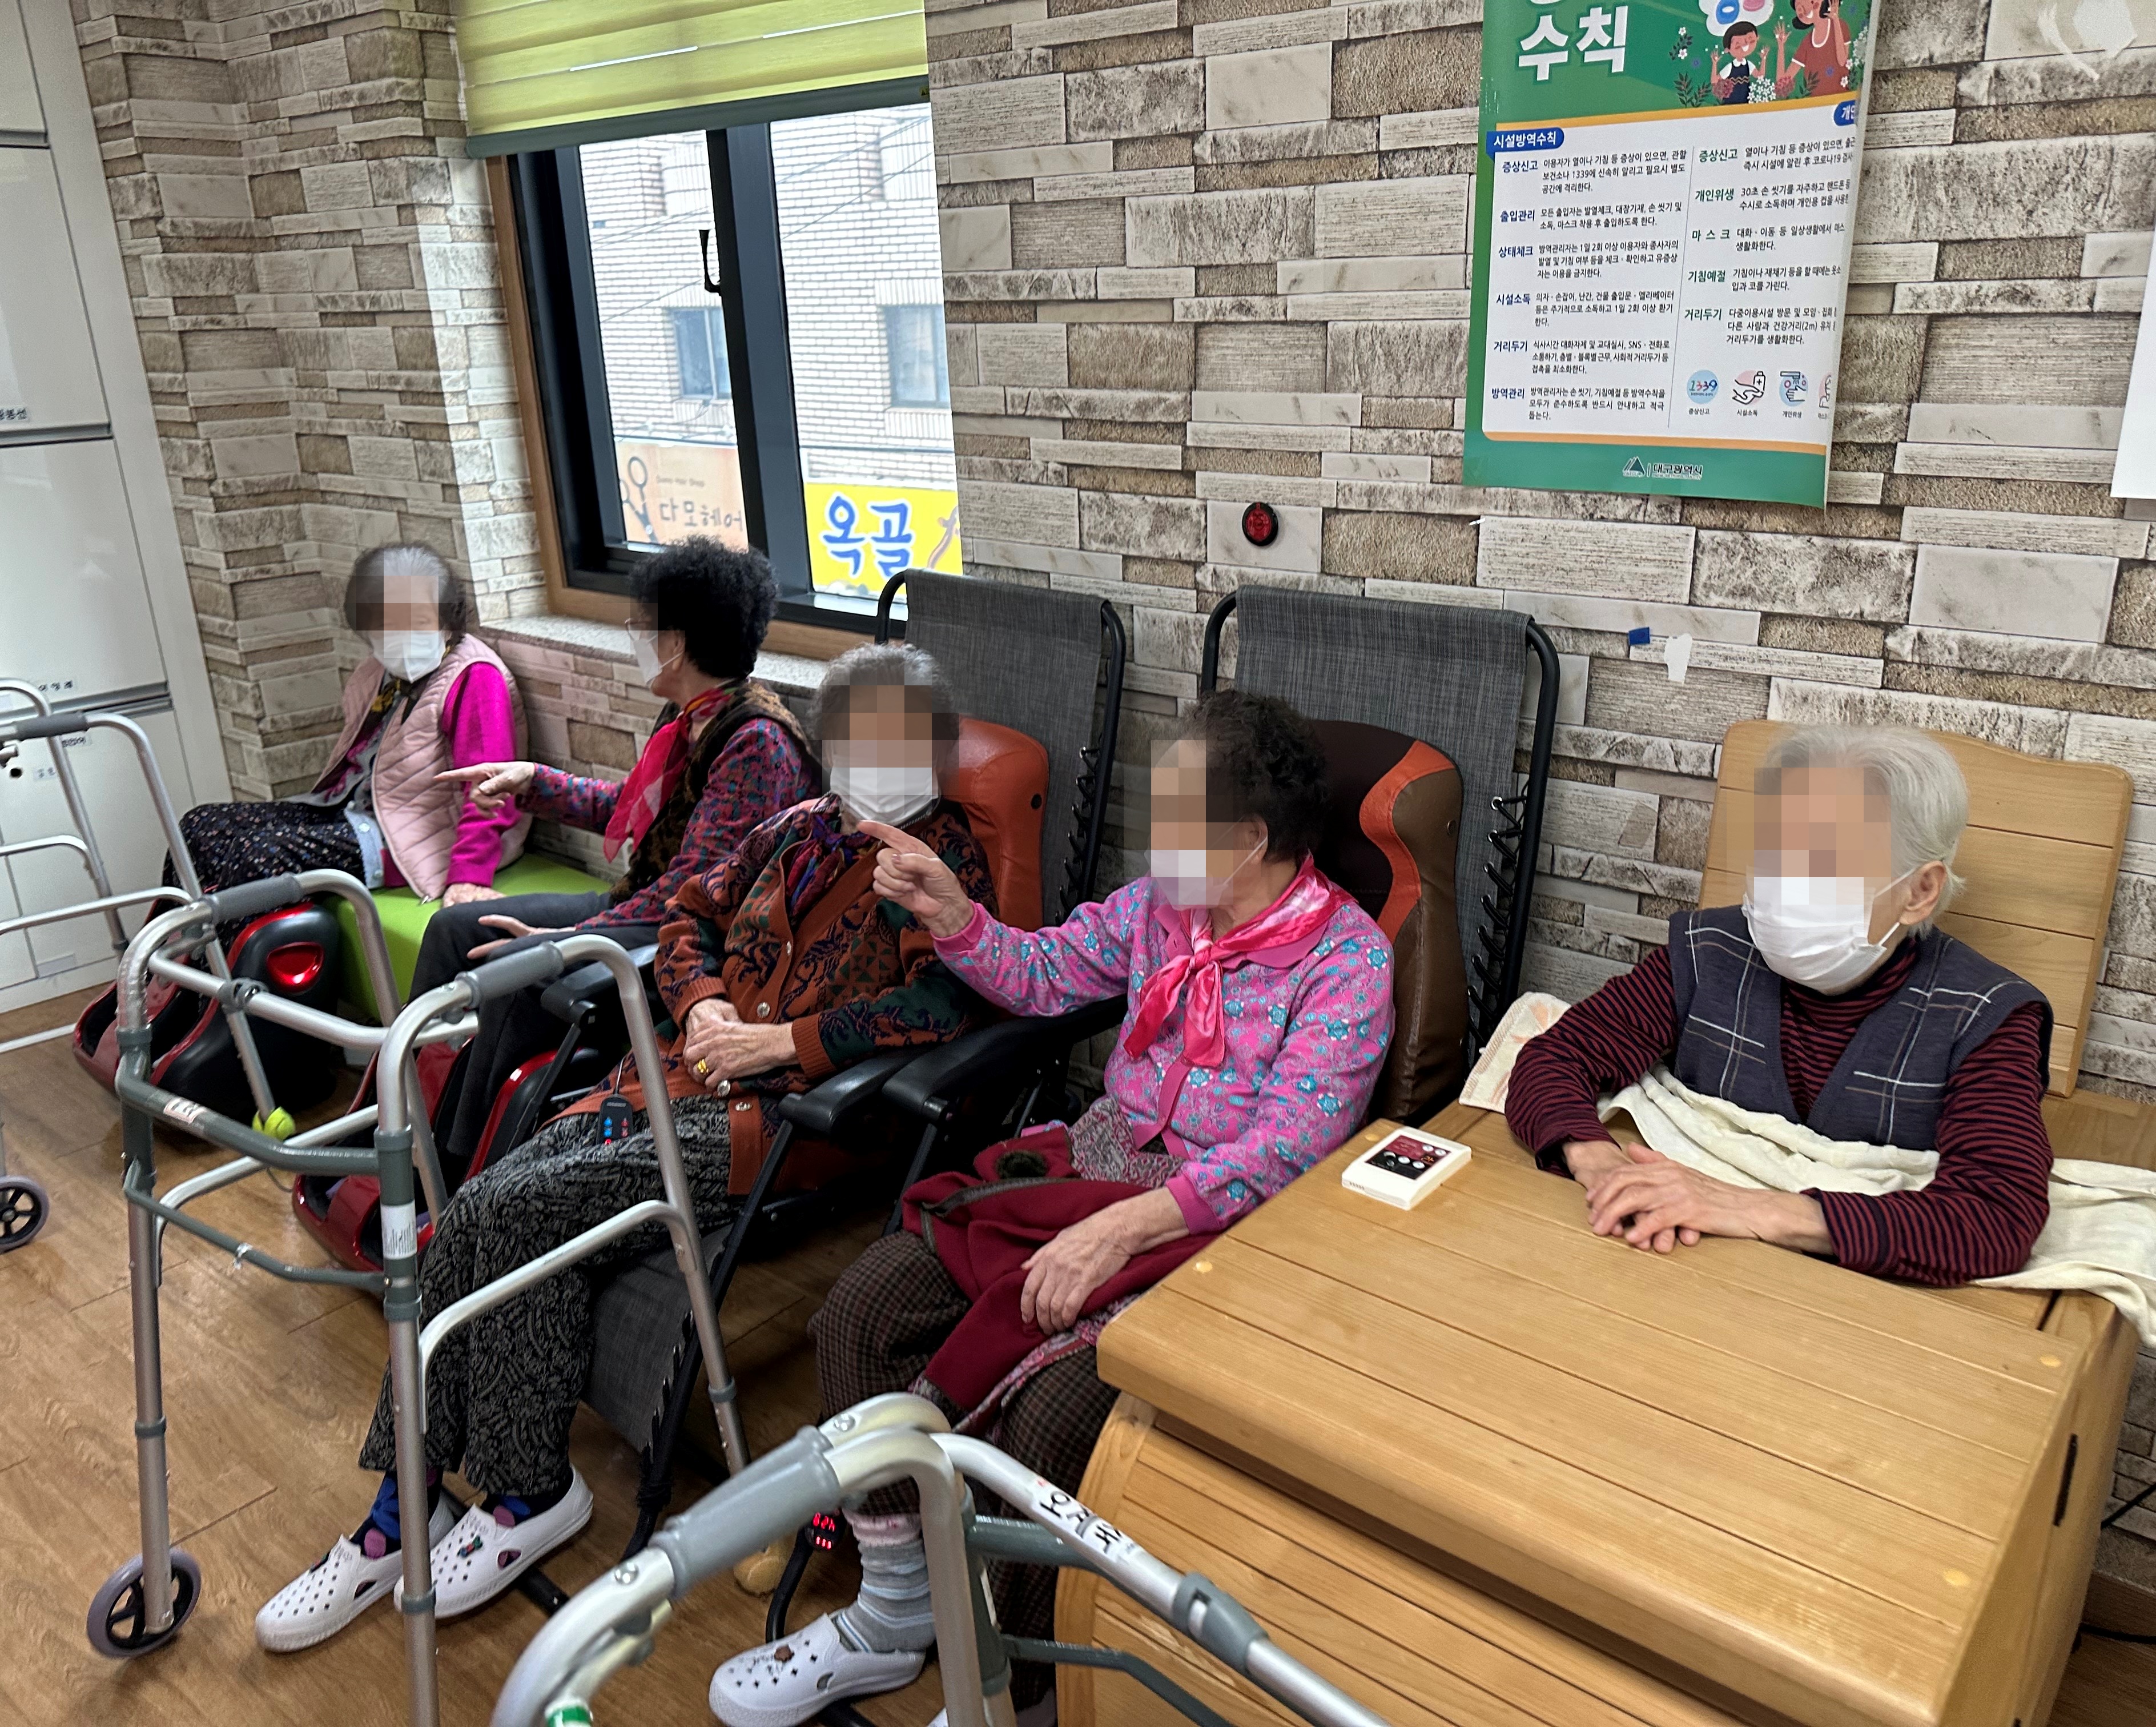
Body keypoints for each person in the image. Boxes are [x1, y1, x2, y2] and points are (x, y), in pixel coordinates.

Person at [253, 643, 998, 1653]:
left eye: (900, 736)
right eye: (859, 734)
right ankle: (405, 1502)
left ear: (935, 747)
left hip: (779, 1120)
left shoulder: (941, 861)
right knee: (484, 1205)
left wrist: (786, 1042)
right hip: (668, 1077)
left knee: (511, 1210)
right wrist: (701, 1005)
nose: (877, 754)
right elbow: (688, 913)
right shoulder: (794, 828)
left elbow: (943, 1004)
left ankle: (521, 1492)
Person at [706, 690, 1395, 1727]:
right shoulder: (1159, 909)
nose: (1151, 835)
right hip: (1096, 1160)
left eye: (1174, 815)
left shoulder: (1348, 961)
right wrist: (953, 914)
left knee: (1054, 1411)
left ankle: (1019, 1690)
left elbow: (1285, 1150)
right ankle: (896, 1610)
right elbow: (1042, 974)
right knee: (859, 1311)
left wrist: (1118, 1228)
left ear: (1249, 838)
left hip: (1221, 1223)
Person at [1506, 725, 2054, 1286]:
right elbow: (1555, 1059)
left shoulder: (1985, 1019)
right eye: (1776, 849)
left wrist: (1744, 1207)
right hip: (1659, 1271)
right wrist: (1600, 1165)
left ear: (1919, 891)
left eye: (1828, 859)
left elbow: (1997, 1217)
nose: (1790, 881)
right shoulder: (1706, 953)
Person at [416, 537, 818, 1174]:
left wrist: (570, 940)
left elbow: (691, 894)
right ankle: (406, 1115)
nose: (635, 637)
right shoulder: (692, 716)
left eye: (642, 626)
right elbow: (636, 811)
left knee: (519, 970)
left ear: (676, 643)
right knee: (454, 929)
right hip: (639, 905)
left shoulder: (757, 744)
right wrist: (532, 780)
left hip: (691, 938)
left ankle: (457, 1166)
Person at [170, 543, 524, 904]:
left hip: (416, 840)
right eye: (387, 624)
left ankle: (217, 942)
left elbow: (494, 787)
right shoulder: (377, 672)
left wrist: (469, 878)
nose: (401, 635)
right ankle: (173, 939)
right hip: (351, 812)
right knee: (199, 827)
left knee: (257, 854)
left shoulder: (475, 678)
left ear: (447, 619)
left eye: (417, 620)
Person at [1777, 0, 1850, 97]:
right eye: (1799, 9)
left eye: (1810, 2)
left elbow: (1842, 61)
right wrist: (1781, 46)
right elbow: (1782, 82)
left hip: (1840, 97)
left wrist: (1836, 20)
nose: (1804, 10)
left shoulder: (1840, 26)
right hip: (1815, 101)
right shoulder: (1807, 43)